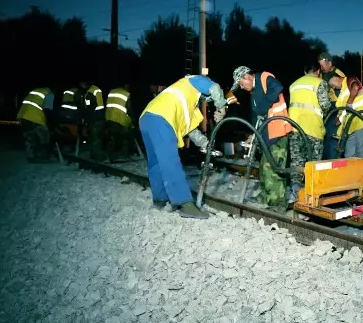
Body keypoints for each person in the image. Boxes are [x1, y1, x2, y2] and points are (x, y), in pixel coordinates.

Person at [139, 75, 228, 219]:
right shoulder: (193, 80)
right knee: (170, 161)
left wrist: (206, 144)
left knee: (156, 162)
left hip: (146, 118)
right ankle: (185, 203)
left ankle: (160, 200)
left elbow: (191, 131)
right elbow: (215, 88)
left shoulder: (186, 103)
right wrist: (221, 107)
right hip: (161, 118)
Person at [231, 66, 292, 211]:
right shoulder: (253, 92)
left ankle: (278, 203)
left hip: (277, 132)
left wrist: (263, 107)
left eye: (240, 83)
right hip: (265, 135)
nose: (241, 86)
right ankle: (266, 194)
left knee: (274, 168)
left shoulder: (264, 78)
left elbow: (277, 88)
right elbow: (256, 117)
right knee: (264, 167)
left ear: (247, 77)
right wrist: (253, 134)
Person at [287, 63, 332, 203]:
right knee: (313, 162)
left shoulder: (293, 84)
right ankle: (312, 195)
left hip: (294, 128)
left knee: (297, 161)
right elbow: (325, 105)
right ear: (318, 71)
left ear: (304, 70)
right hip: (312, 128)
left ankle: (296, 192)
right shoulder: (320, 83)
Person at [328, 75, 363, 159]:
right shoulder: (342, 92)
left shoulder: (349, 80)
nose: (334, 88)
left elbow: (355, 87)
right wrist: (339, 120)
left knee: (362, 153)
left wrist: (349, 102)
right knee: (349, 155)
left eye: (334, 86)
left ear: (336, 80)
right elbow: (344, 110)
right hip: (351, 126)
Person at [318, 52, 345, 159]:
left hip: (335, 109)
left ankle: (332, 161)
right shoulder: (321, 74)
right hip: (325, 108)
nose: (321, 67)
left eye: (322, 64)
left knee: (332, 138)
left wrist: (341, 115)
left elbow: (344, 97)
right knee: (324, 137)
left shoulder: (338, 74)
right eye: (319, 65)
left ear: (329, 62)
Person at [16, 87, 55, 162]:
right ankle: (42, 156)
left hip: (23, 115)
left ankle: (30, 156)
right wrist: (49, 123)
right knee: (44, 136)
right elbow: (48, 110)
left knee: (29, 136)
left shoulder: (35, 90)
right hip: (35, 117)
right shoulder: (49, 94)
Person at [105, 84, 134, 162]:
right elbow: (129, 109)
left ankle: (109, 155)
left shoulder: (112, 91)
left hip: (109, 117)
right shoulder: (126, 94)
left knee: (112, 138)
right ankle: (124, 155)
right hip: (120, 119)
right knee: (126, 138)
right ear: (126, 86)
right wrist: (132, 120)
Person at [80, 82, 105, 161]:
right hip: (100, 116)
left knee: (95, 138)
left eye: (81, 84)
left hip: (94, 118)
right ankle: (96, 155)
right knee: (97, 137)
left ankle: (97, 157)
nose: (81, 85)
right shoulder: (96, 89)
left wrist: (86, 121)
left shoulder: (90, 93)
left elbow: (90, 108)